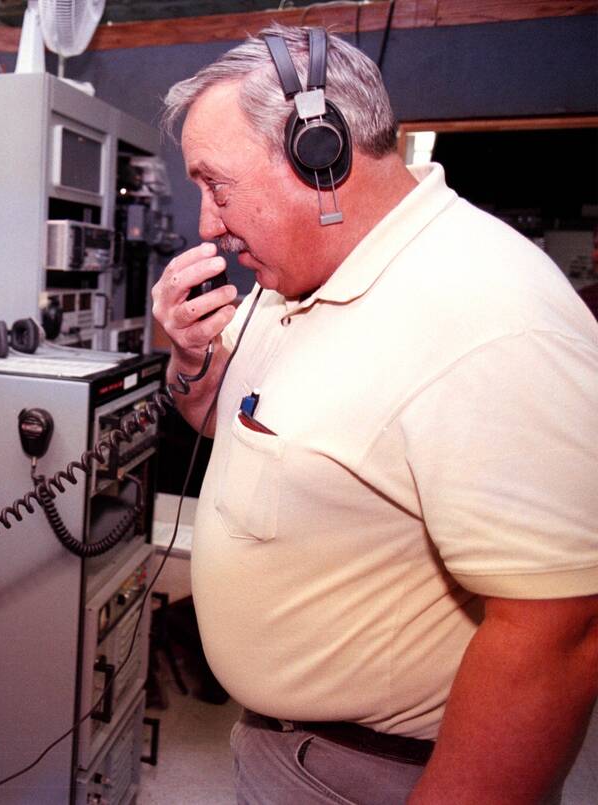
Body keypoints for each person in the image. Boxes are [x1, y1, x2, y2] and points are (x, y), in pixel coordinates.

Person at [151, 23, 598, 804]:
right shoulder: (294, 280)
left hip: (382, 774)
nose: (207, 224)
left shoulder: (490, 315)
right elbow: (233, 424)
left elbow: (560, 630)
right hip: (284, 746)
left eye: (215, 184)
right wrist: (189, 366)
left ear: (315, 151)